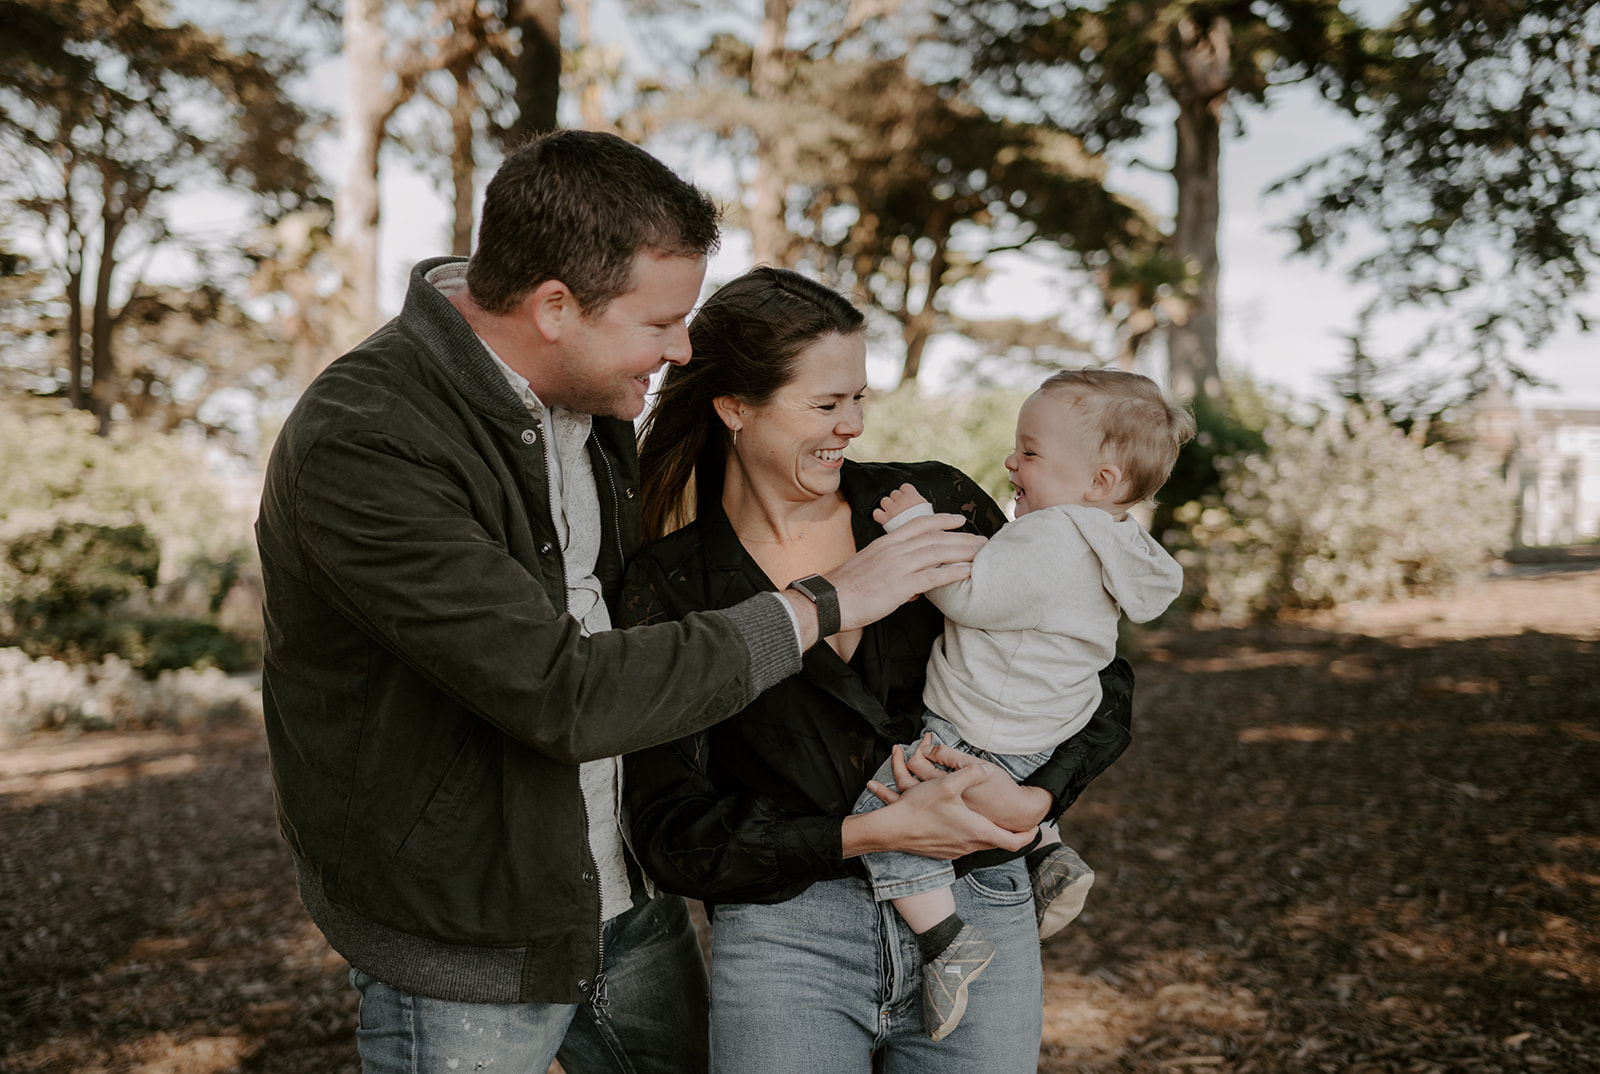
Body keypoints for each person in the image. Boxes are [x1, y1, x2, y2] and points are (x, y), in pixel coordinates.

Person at [254, 131, 990, 1074]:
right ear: (554, 306)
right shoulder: (366, 442)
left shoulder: (589, 402)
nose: (684, 350)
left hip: (625, 896)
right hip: (466, 938)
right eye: (660, 324)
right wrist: (825, 602)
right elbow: (565, 692)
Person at [620, 266, 1139, 1070]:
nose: (853, 425)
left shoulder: (934, 505)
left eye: (860, 398)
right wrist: (868, 833)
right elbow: (670, 832)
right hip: (787, 939)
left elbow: (1095, 673)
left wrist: (1038, 794)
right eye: (826, 405)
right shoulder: (672, 587)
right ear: (734, 409)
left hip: (984, 898)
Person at [849, 368, 1197, 1036]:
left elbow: (969, 597)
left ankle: (947, 940)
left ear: (1099, 481)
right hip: (1042, 728)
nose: (1011, 461)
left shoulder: (1053, 534)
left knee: (886, 809)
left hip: (982, 727)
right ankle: (1044, 846)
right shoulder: (1112, 538)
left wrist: (916, 527)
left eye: (1031, 453)